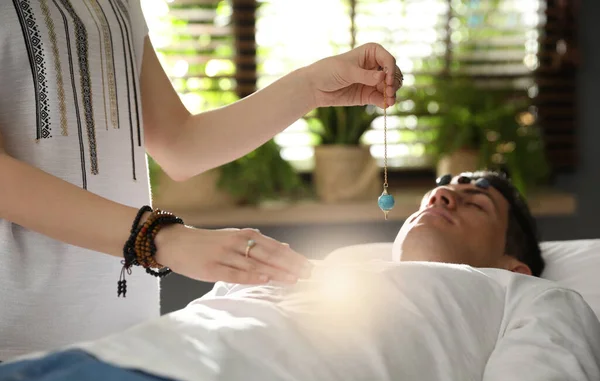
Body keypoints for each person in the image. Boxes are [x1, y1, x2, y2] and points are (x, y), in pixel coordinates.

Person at [0, 1, 403, 361]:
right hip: (17, 347)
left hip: (125, 340)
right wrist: (164, 238)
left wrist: (310, 87)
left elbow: (179, 144)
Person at [1, 170, 599, 381]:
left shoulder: (529, 297)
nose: (443, 193)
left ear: (513, 263)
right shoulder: (318, 272)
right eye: (445, 186)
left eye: (475, 203)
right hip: (100, 362)